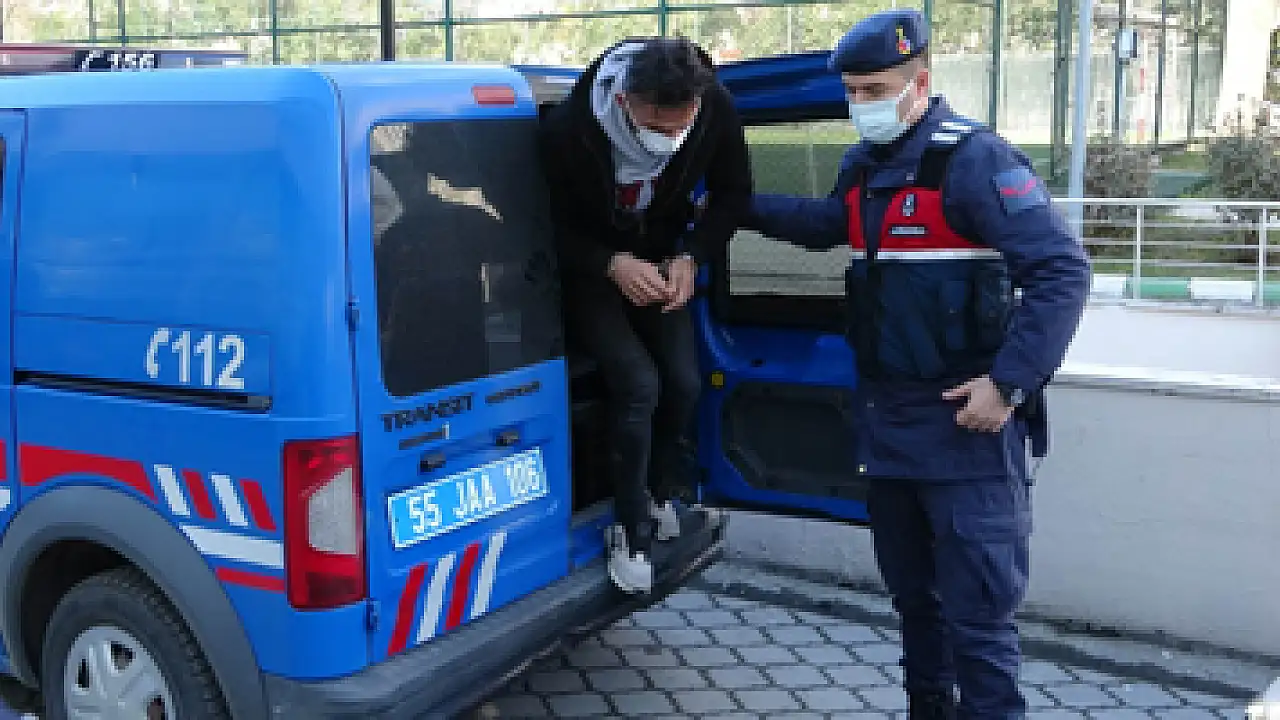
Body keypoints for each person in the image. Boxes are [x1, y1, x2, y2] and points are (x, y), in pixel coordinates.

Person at [741, 9, 1090, 720]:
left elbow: (1062, 271)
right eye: (852, 92)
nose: (860, 105)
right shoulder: (865, 165)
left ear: (919, 83)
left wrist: (1008, 384)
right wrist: (732, 205)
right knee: (916, 607)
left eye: (874, 90)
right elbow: (828, 226)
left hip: (966, 430)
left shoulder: (974, 161)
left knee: (978, 622)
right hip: (890, 425)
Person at [537, 36, 751, 594]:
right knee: (637, 383)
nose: (668, 140)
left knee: (683, 382)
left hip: (660, 259)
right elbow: (543, 224)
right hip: (592, 268)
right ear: (624, 100)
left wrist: (691, 257)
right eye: (654, 127)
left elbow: (734, 194)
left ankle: (659, 493)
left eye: (681, 126)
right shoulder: (570, 130)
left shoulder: (714, 107)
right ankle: (629, 527)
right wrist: (609, 264)